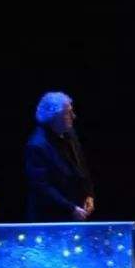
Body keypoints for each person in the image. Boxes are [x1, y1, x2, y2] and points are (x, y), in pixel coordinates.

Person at [25, 92, 95, 222]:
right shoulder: (37, 145)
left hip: (76, 212)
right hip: (50, 218)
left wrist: (88, 194)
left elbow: (81, 167)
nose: (73, 116)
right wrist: (71, 208)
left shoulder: (70, 134)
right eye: (68, 113)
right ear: (54, 117)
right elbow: (42, 187)